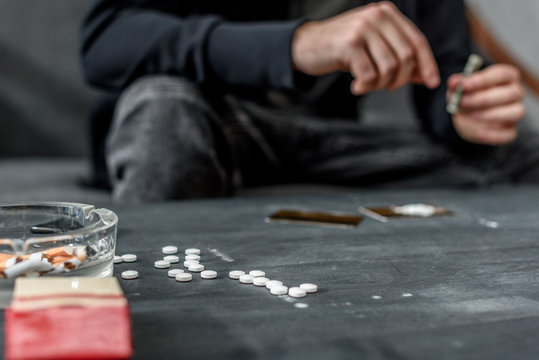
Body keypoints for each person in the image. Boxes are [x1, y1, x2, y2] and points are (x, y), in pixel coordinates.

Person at [81, 0, 531, 202]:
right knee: (163, 114)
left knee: (523, 153)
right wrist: (296, 45)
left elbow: (444, 68)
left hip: (326, 141)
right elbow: (106, 41)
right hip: (210, 120)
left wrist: (465, 107)